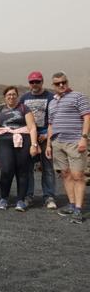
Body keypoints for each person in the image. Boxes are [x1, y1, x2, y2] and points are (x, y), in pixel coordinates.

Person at [46, 72, 90, 224]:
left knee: (78, 175)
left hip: (75, 142)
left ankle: (78, 210)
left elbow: (87, 117)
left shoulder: (78, 96)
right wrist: (49, 144)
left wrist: (84, 138)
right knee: (65, 174)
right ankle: (71, 205)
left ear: (67, 82)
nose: (61, 85)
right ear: (53, 85)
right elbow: (50, 124)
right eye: (57, 83)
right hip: (57, 142)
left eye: (63, 82)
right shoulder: (52, 102)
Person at [0, 86, 39, 212]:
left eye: (14, 94)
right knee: (6, 170)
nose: (11, 96)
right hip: (4, 142)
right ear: (5, 97)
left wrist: (34, 145)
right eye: (9, 94)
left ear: (17, 96)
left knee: (22, 171)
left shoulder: (24, 108)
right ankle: (4, 199)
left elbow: (32, 128)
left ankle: (20, 200)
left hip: (23, 141)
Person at [19, 71, 56, 209]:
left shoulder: (51, 97)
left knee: (48, 168)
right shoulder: (24, 98)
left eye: (37, 81)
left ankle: (49, 197)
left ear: (42, 82)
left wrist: (47, 135)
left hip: (46, 136)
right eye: (32, 82)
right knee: (28, 168)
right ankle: (28, 196)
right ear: (29, 83)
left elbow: (55, 118)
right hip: (30, 136)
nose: (34, 84)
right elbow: (21, 118)